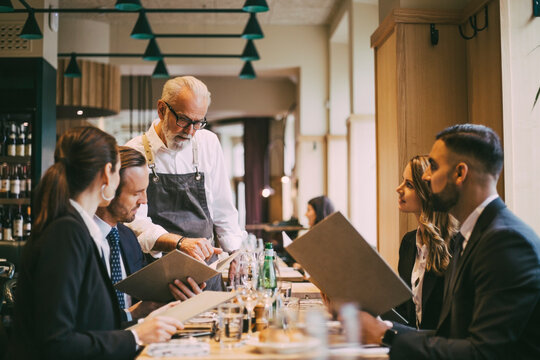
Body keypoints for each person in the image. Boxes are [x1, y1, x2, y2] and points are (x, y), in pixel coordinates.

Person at [361, 124, 540, 360]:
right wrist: (383, 329)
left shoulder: (506, 242)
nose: (426, 176)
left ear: (460, 173)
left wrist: (386, 336)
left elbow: (483, 353)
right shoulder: (473, 236)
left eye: (433, 167)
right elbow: (451, 336)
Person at [7, 127, 183, 360]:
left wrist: (146, 320)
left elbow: (90, 324)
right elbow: (55, 343)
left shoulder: (78, 231)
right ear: (107, 174)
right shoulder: (66, 233)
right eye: (119, 172)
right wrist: (137, 335)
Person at [125, 76, 244, 291]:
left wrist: (235, 252)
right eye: (183, 120)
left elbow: (222, 207)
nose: (190, 131)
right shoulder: (135, 152)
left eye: (198, 123)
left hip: (206, 269)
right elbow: (135, 223)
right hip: (159, 270)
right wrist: (179, 242)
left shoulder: (208, 142)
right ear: (162, 110)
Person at [94, 146, 206, 322]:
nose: (144, 201)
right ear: (108, 188)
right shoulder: (78, 239)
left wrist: (175, 295)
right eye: (136, 193)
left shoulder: (128, 238)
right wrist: (132, 314)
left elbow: (144, 300)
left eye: (145, 191)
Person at [393, 155, 457, 329]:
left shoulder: (456, 245)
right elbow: (405, 313)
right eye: (402, 181)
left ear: (427, 193)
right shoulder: (408, 242)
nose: (398, 189)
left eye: (409, 185)